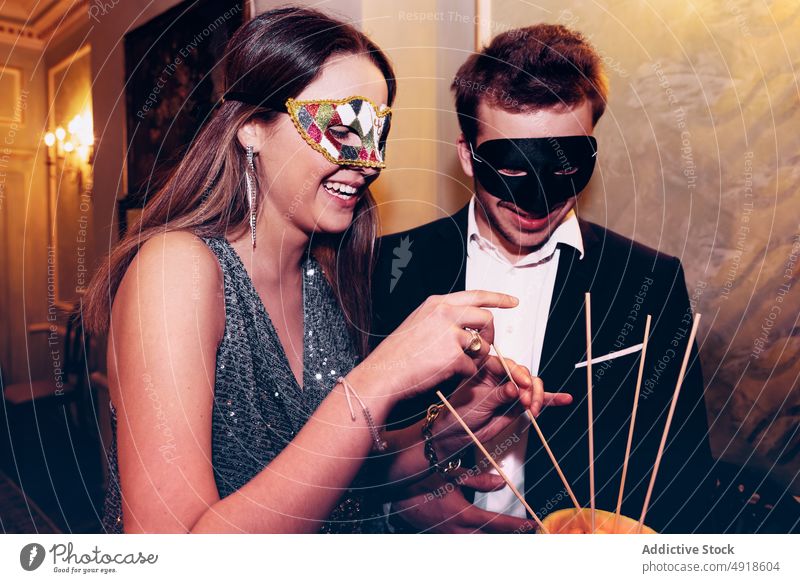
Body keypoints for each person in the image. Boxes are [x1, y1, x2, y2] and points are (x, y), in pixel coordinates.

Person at [83, 8, 571, 534]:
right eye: (345, 127)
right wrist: (381, 377)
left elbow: (341, 480)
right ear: (251, 128)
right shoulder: (175, 272)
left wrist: (444, 432)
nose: (368, 162)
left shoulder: (324, 277)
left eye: (378, 132)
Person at [371, 23, 716, 533]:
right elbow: (348, 444)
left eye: (563, 169)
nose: (535, 204)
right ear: (467, 154)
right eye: (511, 171)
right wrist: (396, 505)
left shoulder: (647, 281)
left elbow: (684, 470)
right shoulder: (387, 268)